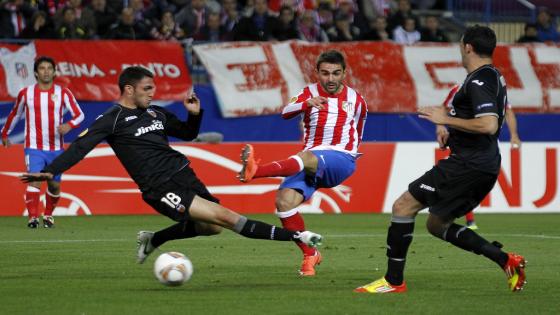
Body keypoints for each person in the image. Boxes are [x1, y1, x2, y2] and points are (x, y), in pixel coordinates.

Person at [20, 66, 322, 265]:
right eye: (147, 89)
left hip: (185, 175)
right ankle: (298, 237)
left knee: (211, 228)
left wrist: (194, 115)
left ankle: (155, 238)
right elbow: (81, 146)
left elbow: (189, 134)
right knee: (227, 217)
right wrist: (51, 170)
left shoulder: (156, 114)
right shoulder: (110, 119)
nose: (152, 94)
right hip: (159, 186)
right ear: (128, 90)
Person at [354, 25, 526, 294]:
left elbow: (488, 125)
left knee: (403, 206)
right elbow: (481, 123)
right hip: (480, 163)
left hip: (469, 164)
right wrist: (454, 132)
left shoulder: (480, 80)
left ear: (467, 46)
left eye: (460, 43)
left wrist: (445, 119)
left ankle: (393, 281)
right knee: (437, 224)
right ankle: (506, 260)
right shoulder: (490, 77)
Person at [238, 50, 367, 276]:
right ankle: (310, 254)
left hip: (341, 157)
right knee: (284, 202)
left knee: (306, 158)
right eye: (325, 73)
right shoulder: (307, 93)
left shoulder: (357, 100)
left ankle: (256, 171)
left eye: (336, 73)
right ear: (317, 72)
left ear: (344, 73)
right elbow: (285, 113)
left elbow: (358, 129)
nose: (331, 79)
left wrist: (352, 151)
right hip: (311, 158)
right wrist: (307, 103)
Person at [1, 56, 85, 228]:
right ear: (35, 73)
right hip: (33, 147)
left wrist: (69, 125)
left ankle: (48, 215)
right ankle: (33, 218)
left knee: (54, 186)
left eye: (49, 68)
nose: (46, 71)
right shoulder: (26, 93)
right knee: (35, 179)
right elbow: (15, 114)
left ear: (54, 72)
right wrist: (5, 133)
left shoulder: (63, 93)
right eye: (42, 68)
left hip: (56, 149)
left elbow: (80, 115)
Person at [441, 84, 522, 230]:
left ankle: (456, 213)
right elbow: (443, 108)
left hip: (486, 146)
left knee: (471, 181)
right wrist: (440, 127)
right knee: (462, 179)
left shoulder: (494, 90)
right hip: (464, 144)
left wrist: (514, 135)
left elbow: (508, 111)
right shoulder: (459, 89)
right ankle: (467, 219)